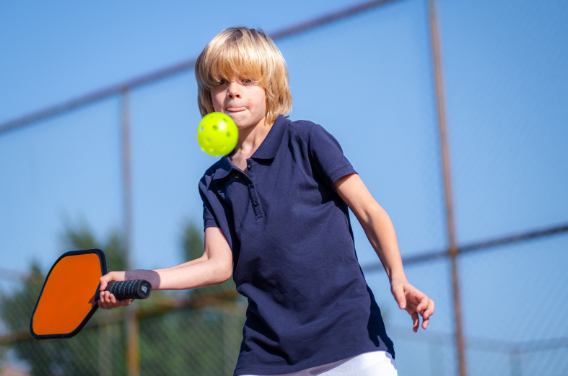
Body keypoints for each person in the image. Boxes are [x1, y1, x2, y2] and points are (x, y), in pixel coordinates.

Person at [99, 26, 435, 376]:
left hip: (350, 342)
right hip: (268, 356)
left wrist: (398, 276)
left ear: (270, 87)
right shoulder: (214, 183)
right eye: (220, 83)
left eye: (246, 80)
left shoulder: (306, 140)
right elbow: (217, 264)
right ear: (207, 97)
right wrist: (142, 277)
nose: (232, 92)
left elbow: (370, 211)